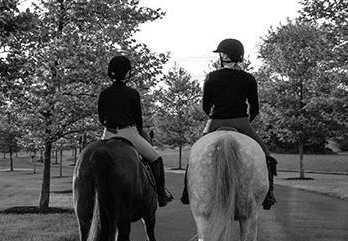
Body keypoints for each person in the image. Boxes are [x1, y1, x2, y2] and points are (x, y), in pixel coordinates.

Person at [180, 38, 277, 209]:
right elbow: (255, 108)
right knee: (266, 155)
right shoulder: (248, 78)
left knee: (195, 154)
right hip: (241, 122)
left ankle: (187, 193)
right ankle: (268, 196)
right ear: (239, 56)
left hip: (214, 122)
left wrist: (214, 117)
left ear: (224, 56)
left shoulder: (211, 76)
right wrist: (246, 123)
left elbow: (205, 105)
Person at [98, 55, 172, 207]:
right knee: (156, 159)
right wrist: (138, 133)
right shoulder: (132, 93)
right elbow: (138, 120)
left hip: (108, 134)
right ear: (127, 73)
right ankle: (161, 195)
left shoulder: (104, 94)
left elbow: (101, 119)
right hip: (129, 133)